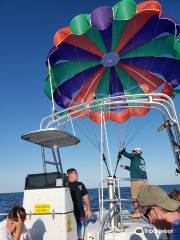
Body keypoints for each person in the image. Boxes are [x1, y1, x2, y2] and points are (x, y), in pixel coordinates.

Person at [120, 147, 148, 218]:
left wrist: (122, 151)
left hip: (136, 181)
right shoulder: (142, 159)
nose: (132, 152)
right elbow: (135, 169)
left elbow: (126, 154)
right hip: (144, 181)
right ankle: (142, 211)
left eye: (133, 151)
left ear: (136, 152)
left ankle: (137, 213)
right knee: (142, 198)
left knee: (134, 198)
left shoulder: (134, 157)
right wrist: (125, 167)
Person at [67, 168, 92, 240]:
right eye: (76, 173)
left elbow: (86, 196)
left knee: (81, 228)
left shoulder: (80, 184)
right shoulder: (64, 184)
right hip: (69, 213)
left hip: (80, 212)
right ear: (70, 174)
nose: (77, 174)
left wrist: (89, 209)